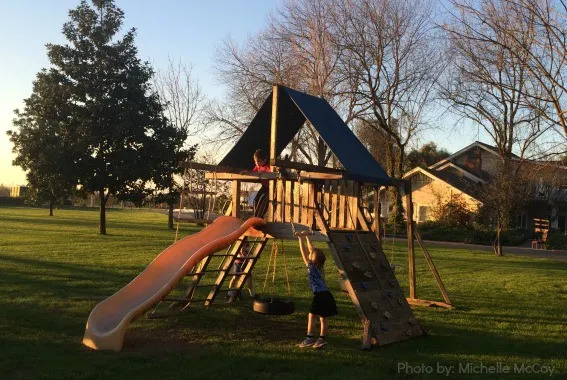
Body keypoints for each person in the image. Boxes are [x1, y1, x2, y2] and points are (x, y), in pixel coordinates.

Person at [295, 231, 338, 349]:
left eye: (311, 255)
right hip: (326, 294)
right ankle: (321, 339)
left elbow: (304, 252)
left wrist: (300, 238)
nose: (309, 254)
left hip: (319, 296)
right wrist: (307, 236)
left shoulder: (311, 266)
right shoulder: (320, 265)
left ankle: (309, 338)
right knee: (323, 317)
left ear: (312, 259)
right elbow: (311, 250)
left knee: (312, 315)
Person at [242, 149, 271, 218]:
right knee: (255, 200)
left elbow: (269, 172)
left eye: (259, 161)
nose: (257, 163)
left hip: (271, 188)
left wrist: (262, 172)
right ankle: (257, 217)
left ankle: (258, 218)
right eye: (255, 161)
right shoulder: (258, 166)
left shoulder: (269, 166)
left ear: (265, 160)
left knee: (263, 201)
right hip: (264, 186)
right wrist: (247, 173)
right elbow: (253, 172)